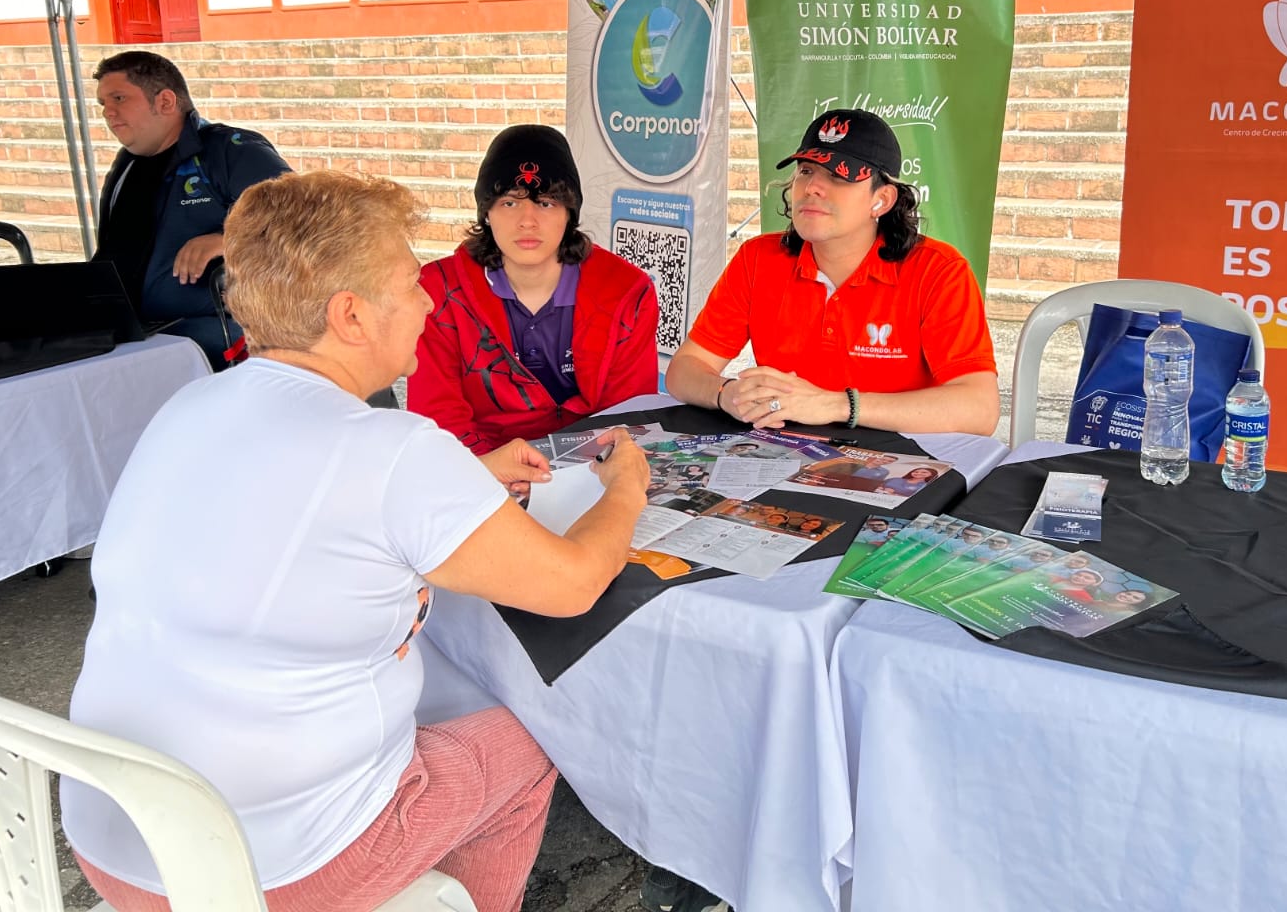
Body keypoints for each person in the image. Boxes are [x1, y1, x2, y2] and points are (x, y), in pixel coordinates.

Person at [60, 170, 651, 912]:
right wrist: (624, 490)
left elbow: (307, 502)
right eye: (409, 283)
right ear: (351, 315)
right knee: (532, 740)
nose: (430, 300)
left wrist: (465, 476)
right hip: (268, 869)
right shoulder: (394, 449)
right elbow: (571, 585)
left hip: (114, 839)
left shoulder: (194, 401)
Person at [666, 108, 999, 436]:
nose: (812, 188)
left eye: (838, 176)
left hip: (899, 466)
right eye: (806, 171)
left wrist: (838, 405)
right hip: (781, 455)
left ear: (881, 200)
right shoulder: (757, 258)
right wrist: (725, 394)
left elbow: (980, 409)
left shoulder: (938, 271)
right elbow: (684, 370)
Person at [410, 124, 659, 453]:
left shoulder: (627, 291)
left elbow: (627, 416)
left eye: (546, 203)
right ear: (487, 213)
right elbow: (438, 418)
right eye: (510, 203)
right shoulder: (436, 292)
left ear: (569, 214)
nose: (528, 220)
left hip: (592, 465)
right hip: (479, 468)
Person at [92, 50, 290, 367]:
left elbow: (307, 225)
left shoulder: (231, 150)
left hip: (219, 335)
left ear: (166, 102)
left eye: (119, 98)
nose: (108, 113)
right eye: (103, 104)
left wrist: (227, 240)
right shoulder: (126, 165)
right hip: (131, 334)